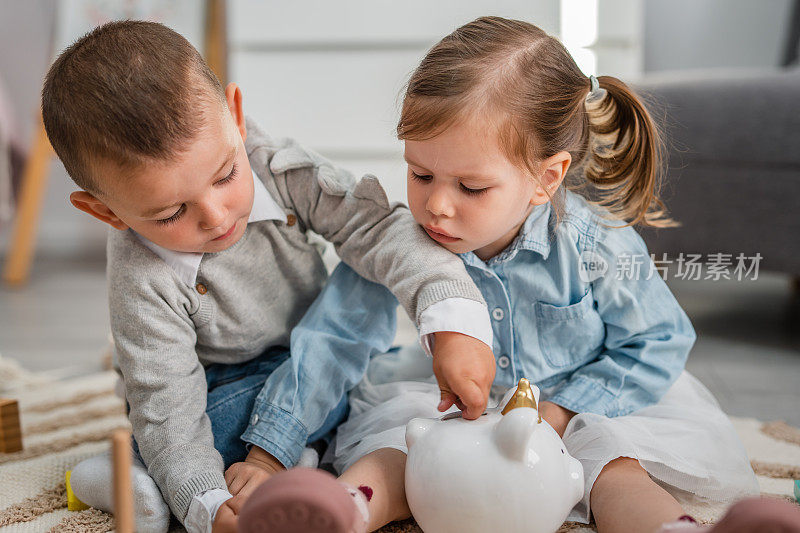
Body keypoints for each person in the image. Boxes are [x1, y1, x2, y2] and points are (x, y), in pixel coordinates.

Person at [242, 16, 760, 533]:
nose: (437, 206)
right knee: (400, 443)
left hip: (576, 407)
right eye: (421, 174)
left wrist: (562, 410)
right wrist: (270, 452)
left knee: (612, 461)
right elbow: (332, 343)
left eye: (471, 187)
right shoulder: (397, 245)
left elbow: (658, 339)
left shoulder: (592, 242)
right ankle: (345, 510)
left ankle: (676, 528)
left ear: (545, 177)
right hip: (446, 409)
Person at [40, 20, 498, 533]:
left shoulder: (274, 165)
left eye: (225, 176)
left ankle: (290, 451)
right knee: (195, 431)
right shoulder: (141, 277)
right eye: (171, 213)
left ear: (235, 117)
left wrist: (451, 318)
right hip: (224, 389)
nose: (215, 216)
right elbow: (167, 404)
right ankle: (138, 476)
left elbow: (375, 225)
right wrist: (210, 505)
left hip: (317, 358)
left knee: (370, 287)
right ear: (106, 212)